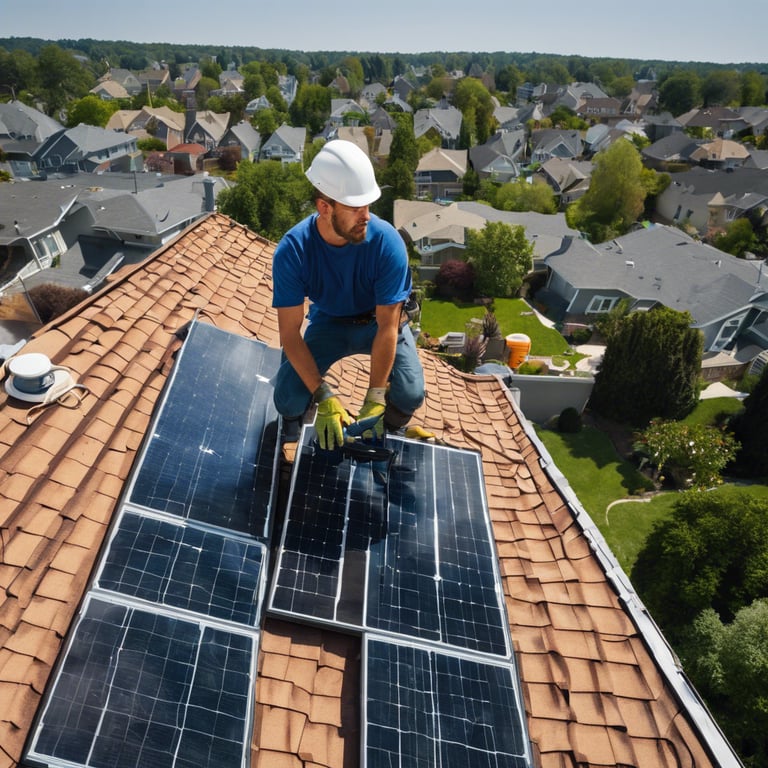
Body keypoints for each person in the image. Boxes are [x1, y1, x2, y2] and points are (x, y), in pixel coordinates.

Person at [271, 140, 425, 450]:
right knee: (287, 399)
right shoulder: (293, 251)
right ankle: (309, 426)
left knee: (410, 394)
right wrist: (324, 395)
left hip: (378, 321)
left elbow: (388, 327)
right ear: (325, 208)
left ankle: (385, 430)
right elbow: (289, 334)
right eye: (355, 208)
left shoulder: (387, 244)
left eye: (368, 205)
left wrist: (376, 396)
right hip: (329, 321)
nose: (366, 216)